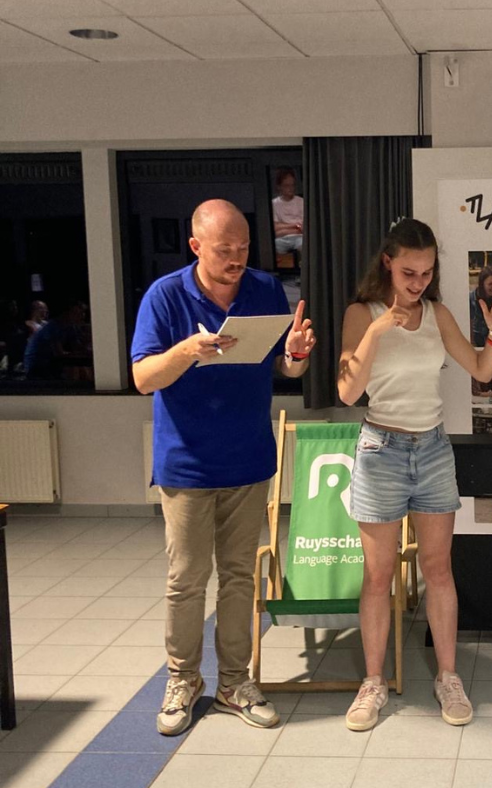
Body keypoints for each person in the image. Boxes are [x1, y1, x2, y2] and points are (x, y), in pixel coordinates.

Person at [131, 199, 315, 737]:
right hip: (186, 463)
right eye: (224, 250)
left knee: (239, 577)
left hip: (248, 457)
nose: (237, 259)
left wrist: (296, 355)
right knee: (187, 579)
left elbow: (283, 366)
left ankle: (235, 682)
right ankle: (182, 680)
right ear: (196, 247)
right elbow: (143, 378)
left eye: (243, 248)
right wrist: (188, 349)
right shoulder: (165, 295)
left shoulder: (265, 288)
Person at [337, 218, 492, 732]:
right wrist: (377, 330)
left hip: (432, 449)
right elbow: (348, 392)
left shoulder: (438, 314)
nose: (418, 282)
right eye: (408, 272)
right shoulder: (361, 313)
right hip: (381, 449)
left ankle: (448, 676)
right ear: (387, 263)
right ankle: (373, 682)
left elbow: (482, 370)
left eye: (427, 272)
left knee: (438, 569)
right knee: (379, 575)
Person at [23, 301, 91, 381]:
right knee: (73, 369)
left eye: (83, 312)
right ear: (67, 313)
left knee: (85, 369)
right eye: (77, 313)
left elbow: (78, 348)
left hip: (51, 363)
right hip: (37, 367)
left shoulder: (71, 327)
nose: (82, 315)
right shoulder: (52, 327)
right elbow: (59, 354)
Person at [271, 166, 304, 257]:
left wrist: (283, 227)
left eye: (292, 185)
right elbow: (275, 229)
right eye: (287, 186)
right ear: (279, 187)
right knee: (273, 248)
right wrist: (295, 226)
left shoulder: (301, 202)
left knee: (304, 245)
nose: (291, 188)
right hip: (281, 239)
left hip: (300, 238)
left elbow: (303, 228)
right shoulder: (274, 203)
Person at [469, 266, 492, 347]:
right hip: (478, 337)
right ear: (482, 284)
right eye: (490, 284)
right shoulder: (472, 297)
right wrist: (472, 341)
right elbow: (470, 321)